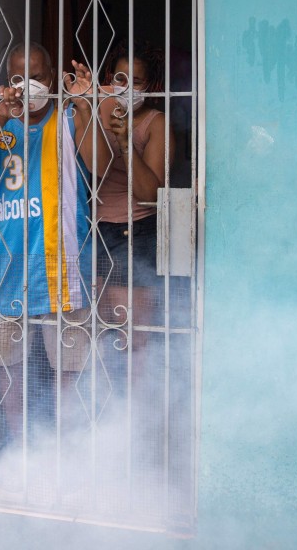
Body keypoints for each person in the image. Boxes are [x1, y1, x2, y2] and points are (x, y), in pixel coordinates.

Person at [0, 41, 111, 444]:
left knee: (69, 372)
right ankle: (23, 452)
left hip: (62, 267)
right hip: (7, 269)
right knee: (10, 372)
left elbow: (100, 164)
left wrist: (88, 105)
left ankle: (65, 452)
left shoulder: (68, 119)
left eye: (37, 77)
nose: (27, 86)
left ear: (53, 76)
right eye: (17, 78)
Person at [69, 43, 173, 372]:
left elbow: (150, 194)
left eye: (137, 81)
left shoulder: (157, 123)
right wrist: (86, 108)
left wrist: (127, 140)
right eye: (120, 77)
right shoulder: (100, 105)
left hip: (135, 233)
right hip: (92, 231)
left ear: (151, 87)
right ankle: (103, 417)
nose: (126, 86)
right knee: (95, 337)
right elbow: (96, 166)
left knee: (132, 342)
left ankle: (135, 420)